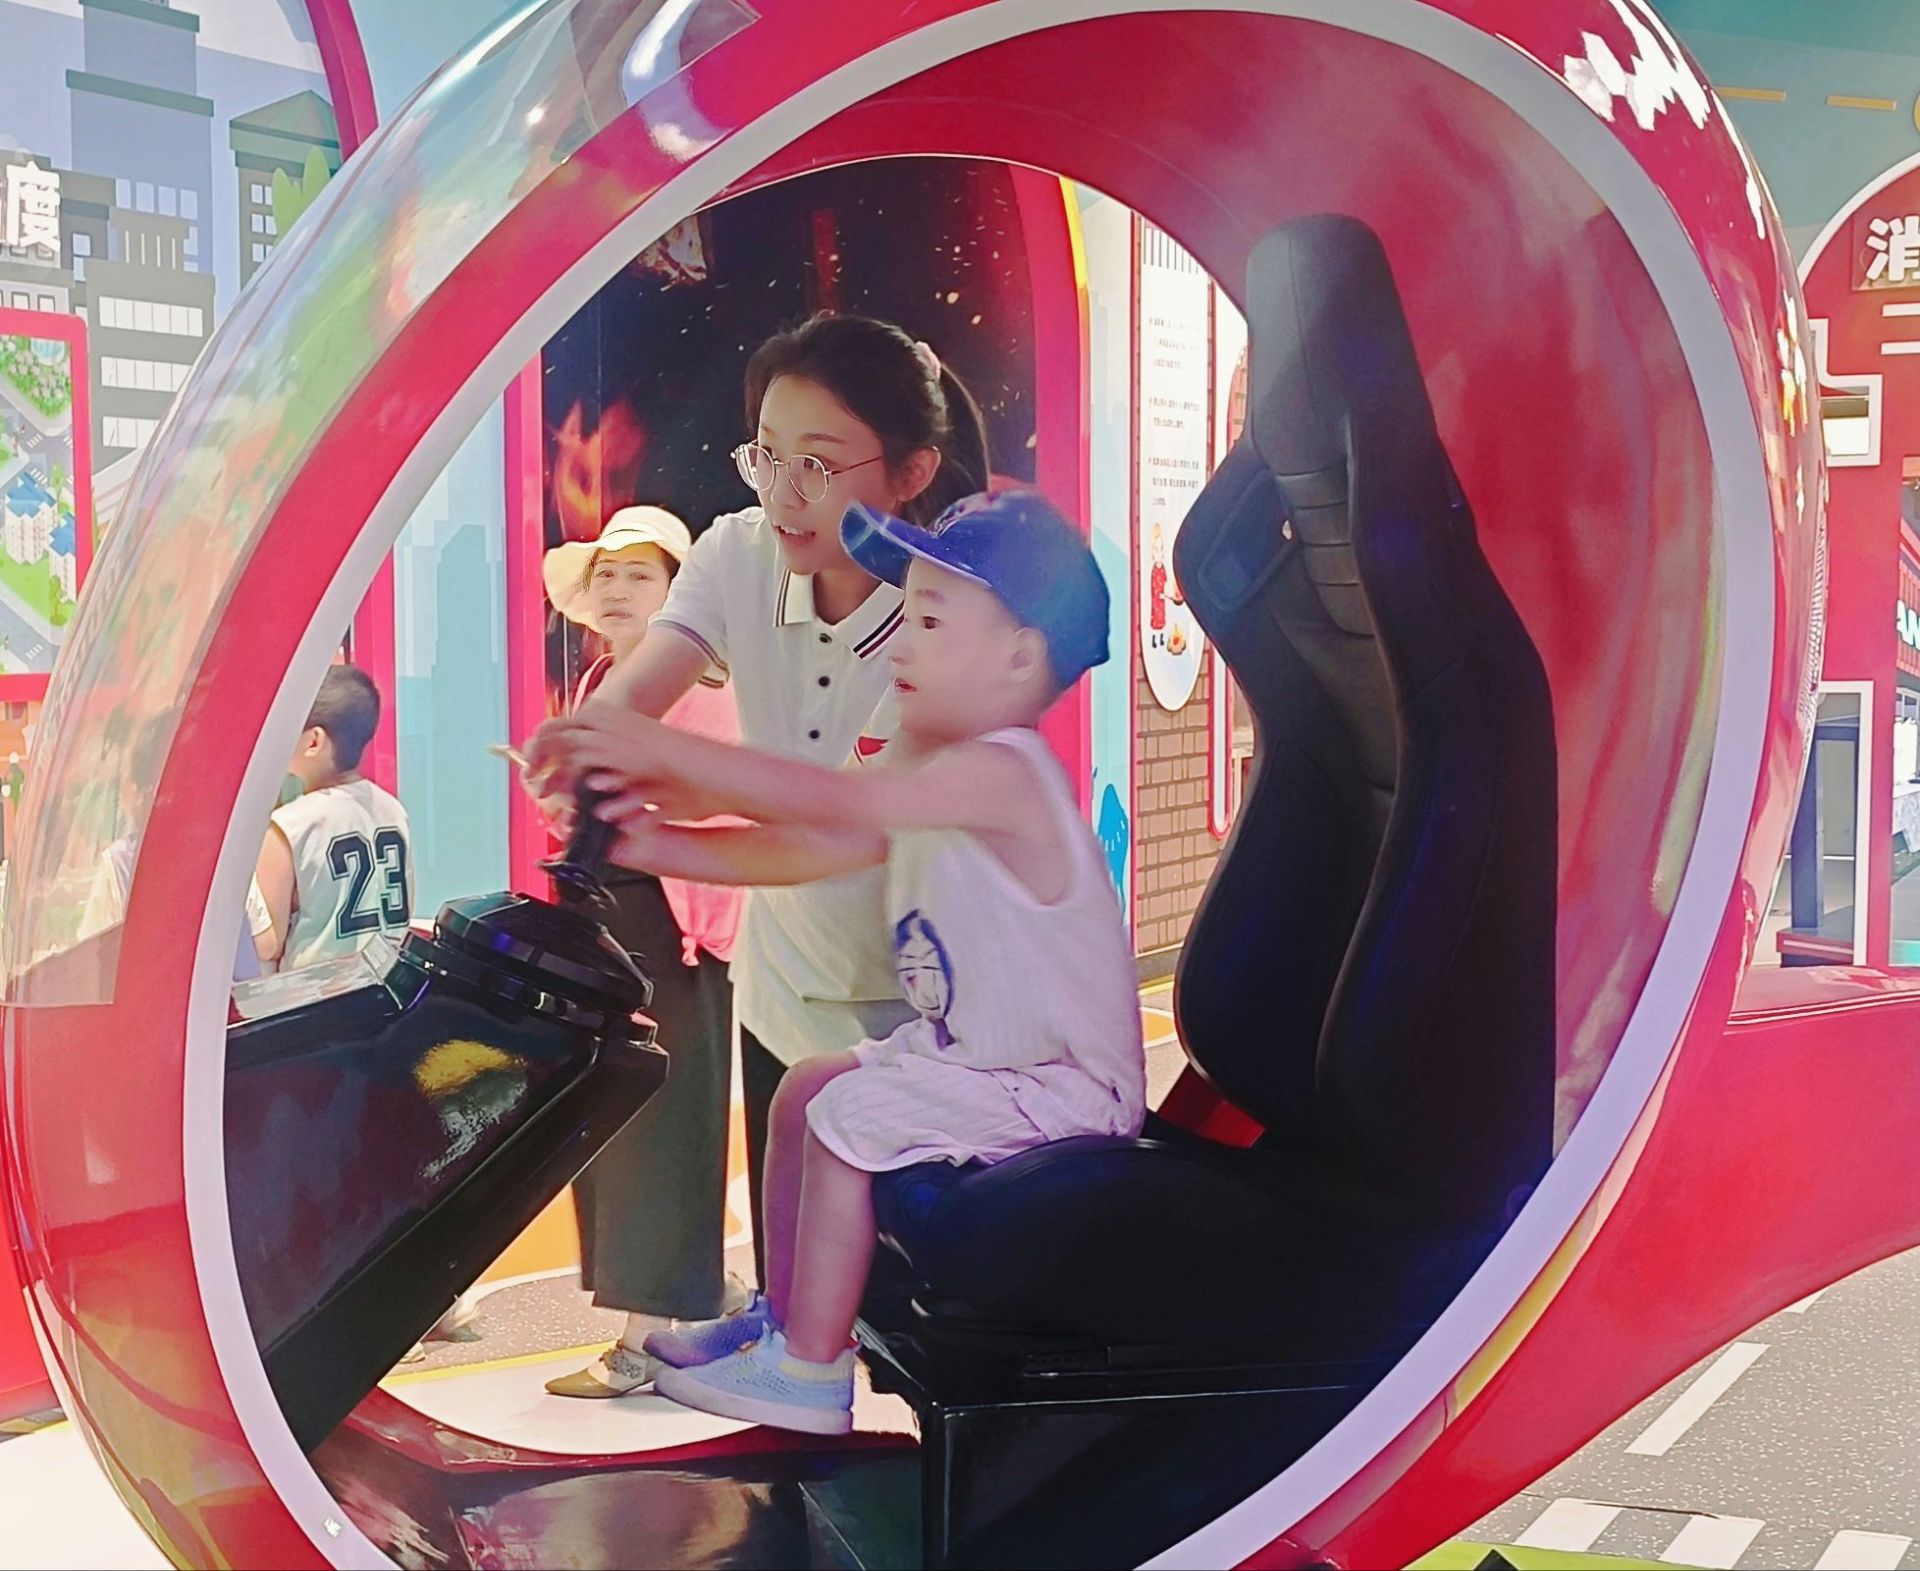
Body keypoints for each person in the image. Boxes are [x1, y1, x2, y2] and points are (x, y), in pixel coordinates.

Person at [550, 491, 1145, 1436]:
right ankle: (784, 1320)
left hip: (1060, 1087)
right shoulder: (934, 764)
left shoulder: (1005, 770)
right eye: (905, 615)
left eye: (931, 622)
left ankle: (811, 1374)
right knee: (806, 1087)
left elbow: (830, 802)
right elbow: (814, 842)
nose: (901, 640)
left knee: (843, 1118)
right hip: (983, 1062)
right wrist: (652, 841)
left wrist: (653, 743)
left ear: (1020, 657)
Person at [525, 312, 993, 1301]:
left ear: (910, 472)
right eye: (766, 456)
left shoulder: (946, 619)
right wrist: (592, 742)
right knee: (799, 1298)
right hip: (784, 998)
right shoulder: (738, 551)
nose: (782, 493)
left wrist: (662, 823)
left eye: (816, 464)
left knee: (914, 1307)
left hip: (927, 1012)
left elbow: (844, 827)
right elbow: (645, 685)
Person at [533, 505, 749, 1399]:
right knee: (613, 1117)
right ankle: (704, 1288)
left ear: (676, 594)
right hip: (608, 923)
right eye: (607, 575)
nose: (617, 590)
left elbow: (727, 811)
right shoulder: (598, 681)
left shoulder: (705, 691)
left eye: (640, 575)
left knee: (656, 1121)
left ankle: (643, 1338)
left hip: (673, 932)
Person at [253, 664, 412, 973]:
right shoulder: (394, 810)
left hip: (315, 994)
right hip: (382, 986)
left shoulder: (289, 825)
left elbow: (268, 944)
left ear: (313, 741)